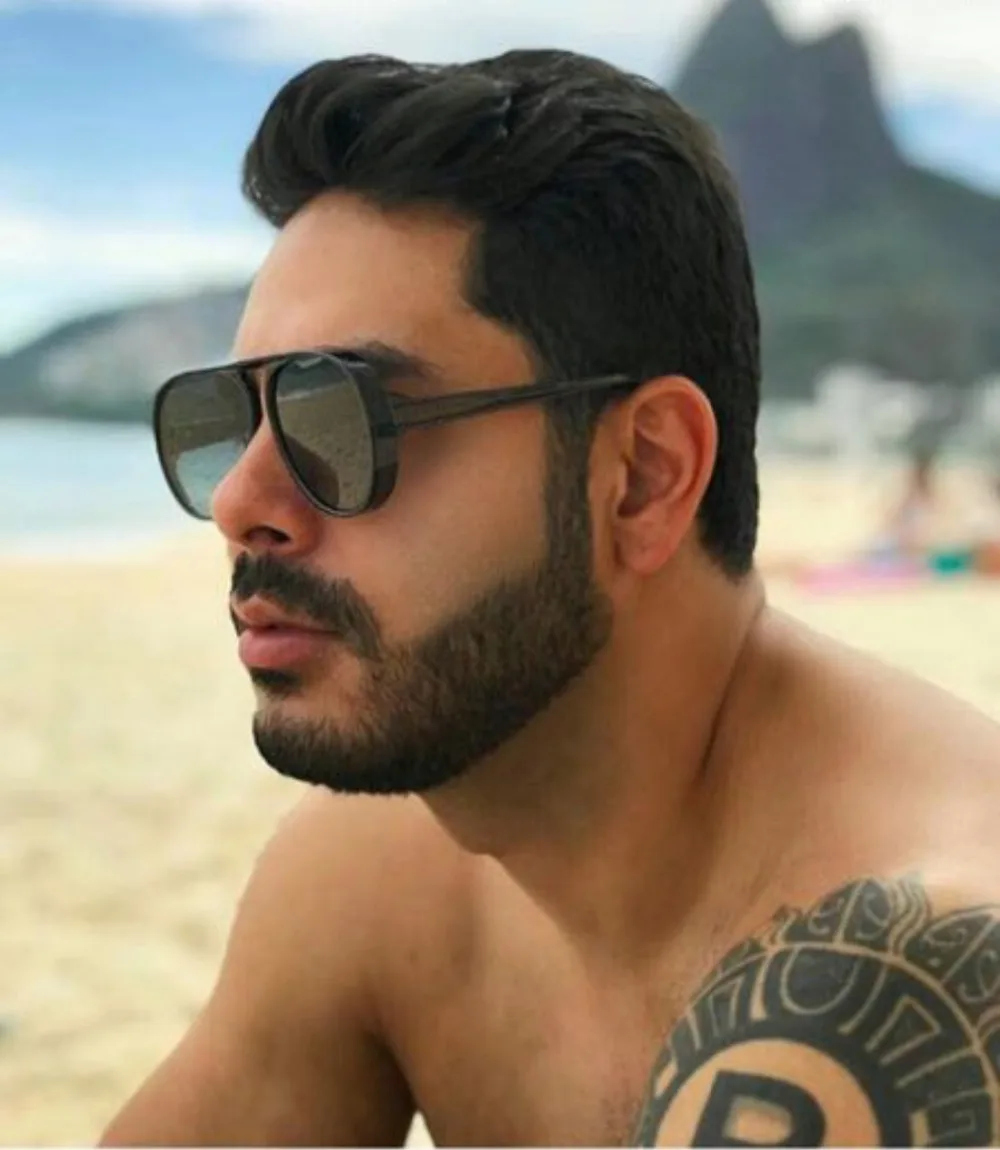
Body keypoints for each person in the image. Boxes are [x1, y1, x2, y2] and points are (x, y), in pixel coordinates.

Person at [104, 51, 1000, 1147]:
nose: (241, 502)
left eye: (343, 420)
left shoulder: (920, 974)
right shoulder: (376, 874)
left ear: (644, 476)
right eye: (231, 420)